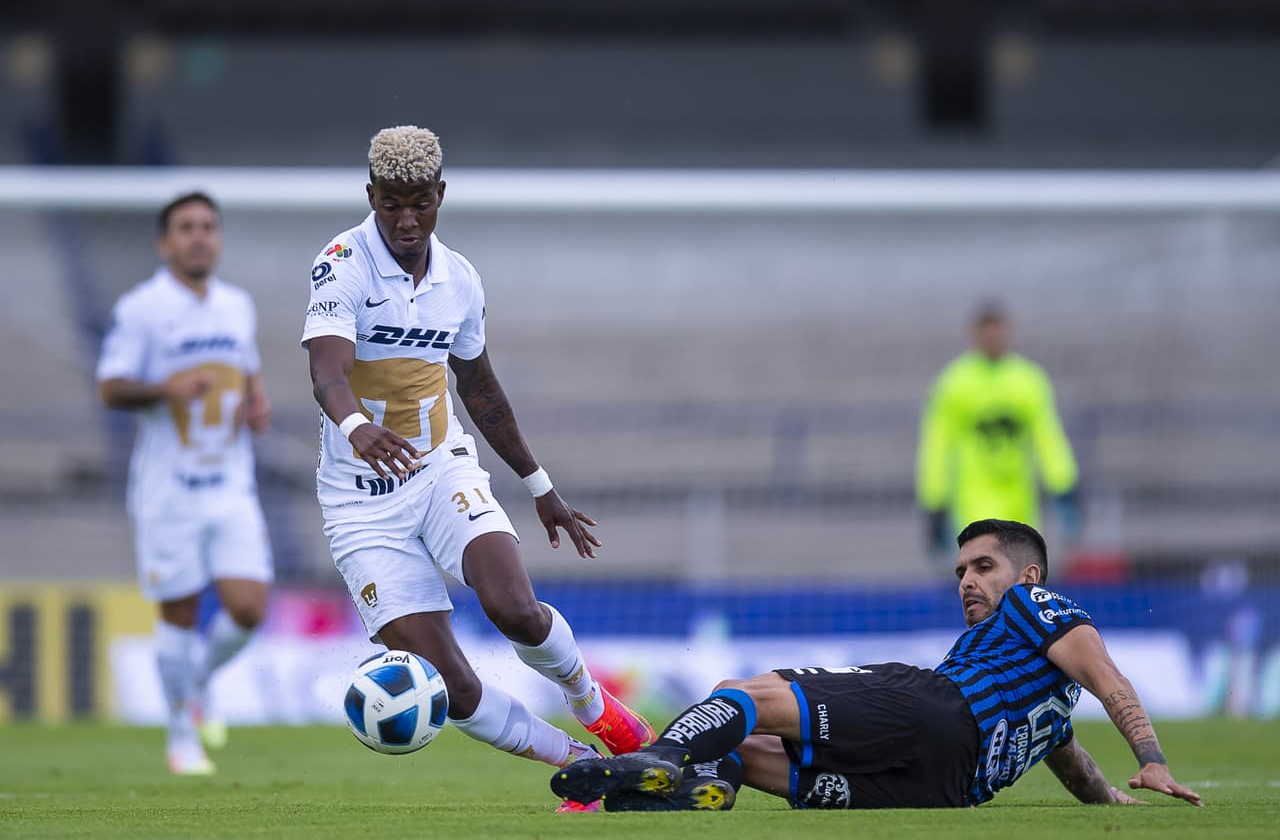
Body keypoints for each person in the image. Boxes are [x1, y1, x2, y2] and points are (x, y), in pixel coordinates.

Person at [301, 126, 654, 807]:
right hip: (359, 503)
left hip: (440, 471)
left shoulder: (459, 280)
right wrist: (357, 426)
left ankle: (596, 709)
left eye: (420, 204)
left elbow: (481, 388)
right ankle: (583, 768)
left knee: (515, 609)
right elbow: (326, 372)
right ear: (370, 195)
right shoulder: (340, 263)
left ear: (441, 195)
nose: (406, 220)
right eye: (392, 204)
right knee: (451, 686)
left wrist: (539, 485)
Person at [551, 519, 1202, 812]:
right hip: (943, 792)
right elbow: (1073, 762)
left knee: (743, 691)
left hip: (940, 709)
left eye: (983, 567)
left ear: (1028, 575)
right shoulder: (1046, 708)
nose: (966, 582)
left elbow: (1108, 679)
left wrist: (1152, 757)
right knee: (748, 753)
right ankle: (690, 792)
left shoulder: (1037, 600)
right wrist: (1109, 799)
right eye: (960, 572)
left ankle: (659, 758)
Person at [97, 192, 274, 775]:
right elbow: (111, 387)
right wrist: (165, 389)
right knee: (179, 610)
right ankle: (180, 734)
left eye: (207, 227)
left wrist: (256, 401)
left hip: (230, 481)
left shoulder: (236, 306)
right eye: (186, 228)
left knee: (249, 607)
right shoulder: (143, 308)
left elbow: (247, 370)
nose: (199, 236)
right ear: (164, 242)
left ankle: (196, 682)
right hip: (168, 487)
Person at [916, 302, 1081, 562]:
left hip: (1019, 501)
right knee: (984, 574)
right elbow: (937, 445)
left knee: (1021, 576)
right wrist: (934, 500)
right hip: (973, 500)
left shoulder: (1028, 380)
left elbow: (1048, 438)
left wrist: (1064, 486)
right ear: (975, 336)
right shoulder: (955, 383)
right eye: (987, 333)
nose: (993, 339)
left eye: (998, 333)